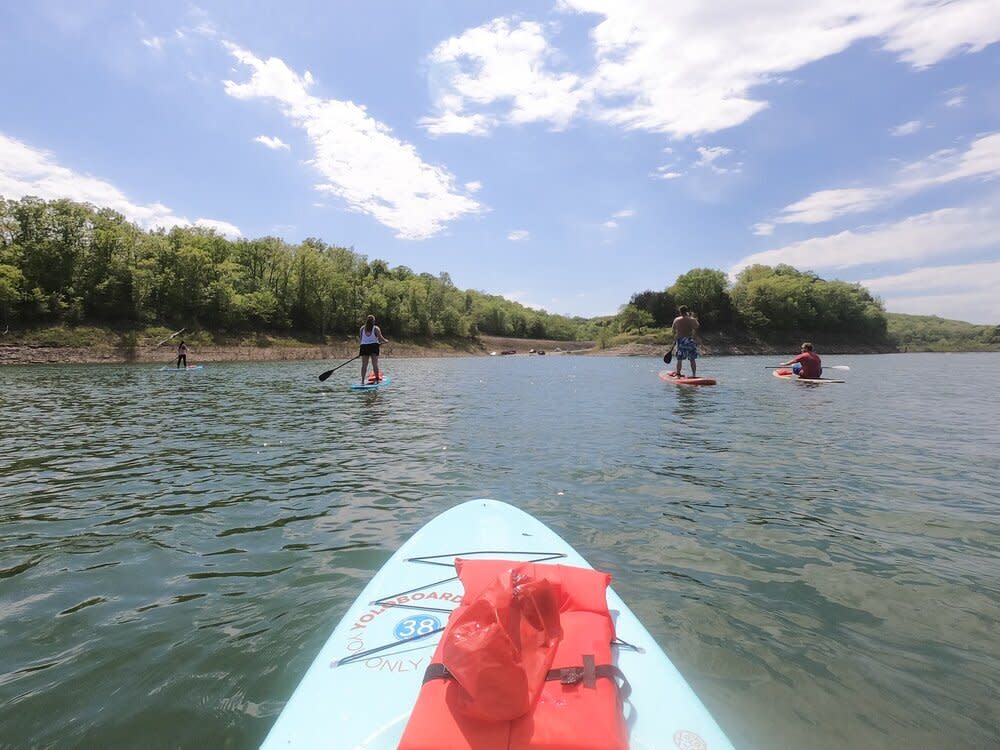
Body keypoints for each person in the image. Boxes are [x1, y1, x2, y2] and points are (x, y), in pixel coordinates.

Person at [670, 306, 700, 377]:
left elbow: (673, 330)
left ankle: (678, 373)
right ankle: (694, 375)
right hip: (690, 340)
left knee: (679, 359)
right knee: (692, 359)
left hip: (681, 341)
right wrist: (692, 317)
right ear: (687, 311)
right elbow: (697, 326)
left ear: (680, 312)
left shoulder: (676, 320)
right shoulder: (692, 319)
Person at [359, 315, 389, 384]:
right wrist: (386, 341)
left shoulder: (362, 328)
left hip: (364, 346)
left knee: (364, 365)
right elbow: (381, 338)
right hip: (373, 346)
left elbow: (361, 339)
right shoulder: (376, 328)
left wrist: (363, 348)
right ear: (373, 321)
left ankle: (362, 381)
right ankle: (377, 380)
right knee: (375, 364)